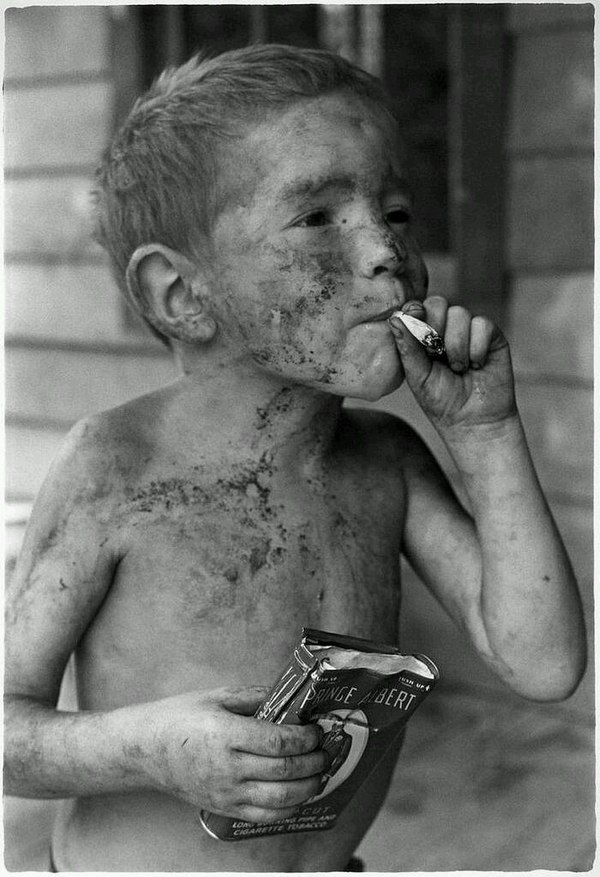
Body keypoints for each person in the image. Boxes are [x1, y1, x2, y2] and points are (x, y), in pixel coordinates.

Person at [4, 44, 586, 872]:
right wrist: (148, 749)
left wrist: (487, 434)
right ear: (182, 294)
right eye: (318, 218)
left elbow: (544, 662)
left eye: (395, 211)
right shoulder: (114, 467)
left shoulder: (386, 461)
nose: (385, 250)